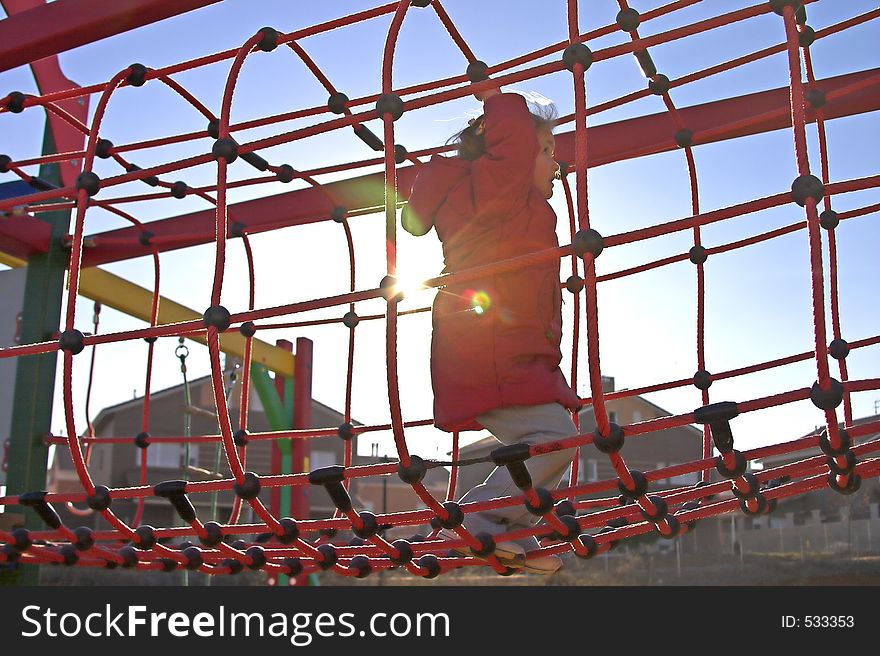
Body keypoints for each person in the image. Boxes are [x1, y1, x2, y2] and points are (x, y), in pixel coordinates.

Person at [403, 83, 580, 574]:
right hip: (495, 345)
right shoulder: (496, 191)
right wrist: (499, 99)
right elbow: (516, 142)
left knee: (549, 439)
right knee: (556, 436)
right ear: (512, 151)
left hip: (499, 344)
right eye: (546, 150)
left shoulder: (492, 198)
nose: (553, 162)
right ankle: (482, 517)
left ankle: (519, 530)